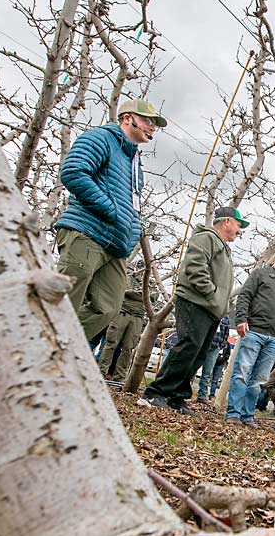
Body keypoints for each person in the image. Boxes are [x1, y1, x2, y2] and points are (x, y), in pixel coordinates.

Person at [55, 99, 166, 341]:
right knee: (62, 304)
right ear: (128, 118)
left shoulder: (134, 161)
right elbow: (73, 172)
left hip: (115, 246)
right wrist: (111, 210)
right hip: (87, 233)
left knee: (108, 309)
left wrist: (134, 229)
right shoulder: (100, 138)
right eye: (148, 121)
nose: (152, 128)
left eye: (154, 124)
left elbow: (133, 205)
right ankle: (36, 353)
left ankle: (61, 348)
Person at [143, 207, 244, 412]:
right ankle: (156, 393)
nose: (239, 230)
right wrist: (212, 294)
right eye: (238, 224)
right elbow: (195, 267)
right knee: (188, 346)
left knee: (198, 354)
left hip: (211, 308)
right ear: (226, 222)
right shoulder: (206, 238)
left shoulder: (223, 247)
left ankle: (176, 395)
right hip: (195, 301)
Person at [225, 247, 275, 426]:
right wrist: (241, 319)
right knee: (242, 373)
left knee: (259, 379)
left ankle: (247, 415)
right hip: (254, 332)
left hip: (274, 339)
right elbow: (244, 296)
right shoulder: (260, 274)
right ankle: (233, 413)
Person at [98, 259, 151, 382]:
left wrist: (135, 293)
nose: (141, 268)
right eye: (140, 266)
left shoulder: (150, 282)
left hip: (137, 317)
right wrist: (140, 294)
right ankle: (101, 372)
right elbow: (124, 290)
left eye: (144, 266)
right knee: (111, 344)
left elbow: (152, 295)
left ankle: (119, 377)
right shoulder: (128, 276)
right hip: (122, 313)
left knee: (128, 348)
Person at [196, 317, 230, 403]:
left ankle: (202, 396)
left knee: (207, 373)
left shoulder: (226, 319)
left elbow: (226, 334)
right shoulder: (211, 313)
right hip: (202, 344)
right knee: (192, 368)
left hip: (215, 347)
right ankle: (182, 391)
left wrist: (221, 346)